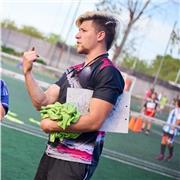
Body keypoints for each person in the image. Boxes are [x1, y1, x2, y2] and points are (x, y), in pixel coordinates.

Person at [22, 11, 124, 180]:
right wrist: (27, 72)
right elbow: (42, 101)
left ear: (100, 35)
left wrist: (52, 126)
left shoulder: (108, 72)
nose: (77, 35)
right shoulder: (73, 71)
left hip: (76, 161)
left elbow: (94, 120)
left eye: (83, 31)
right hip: (52, 153)